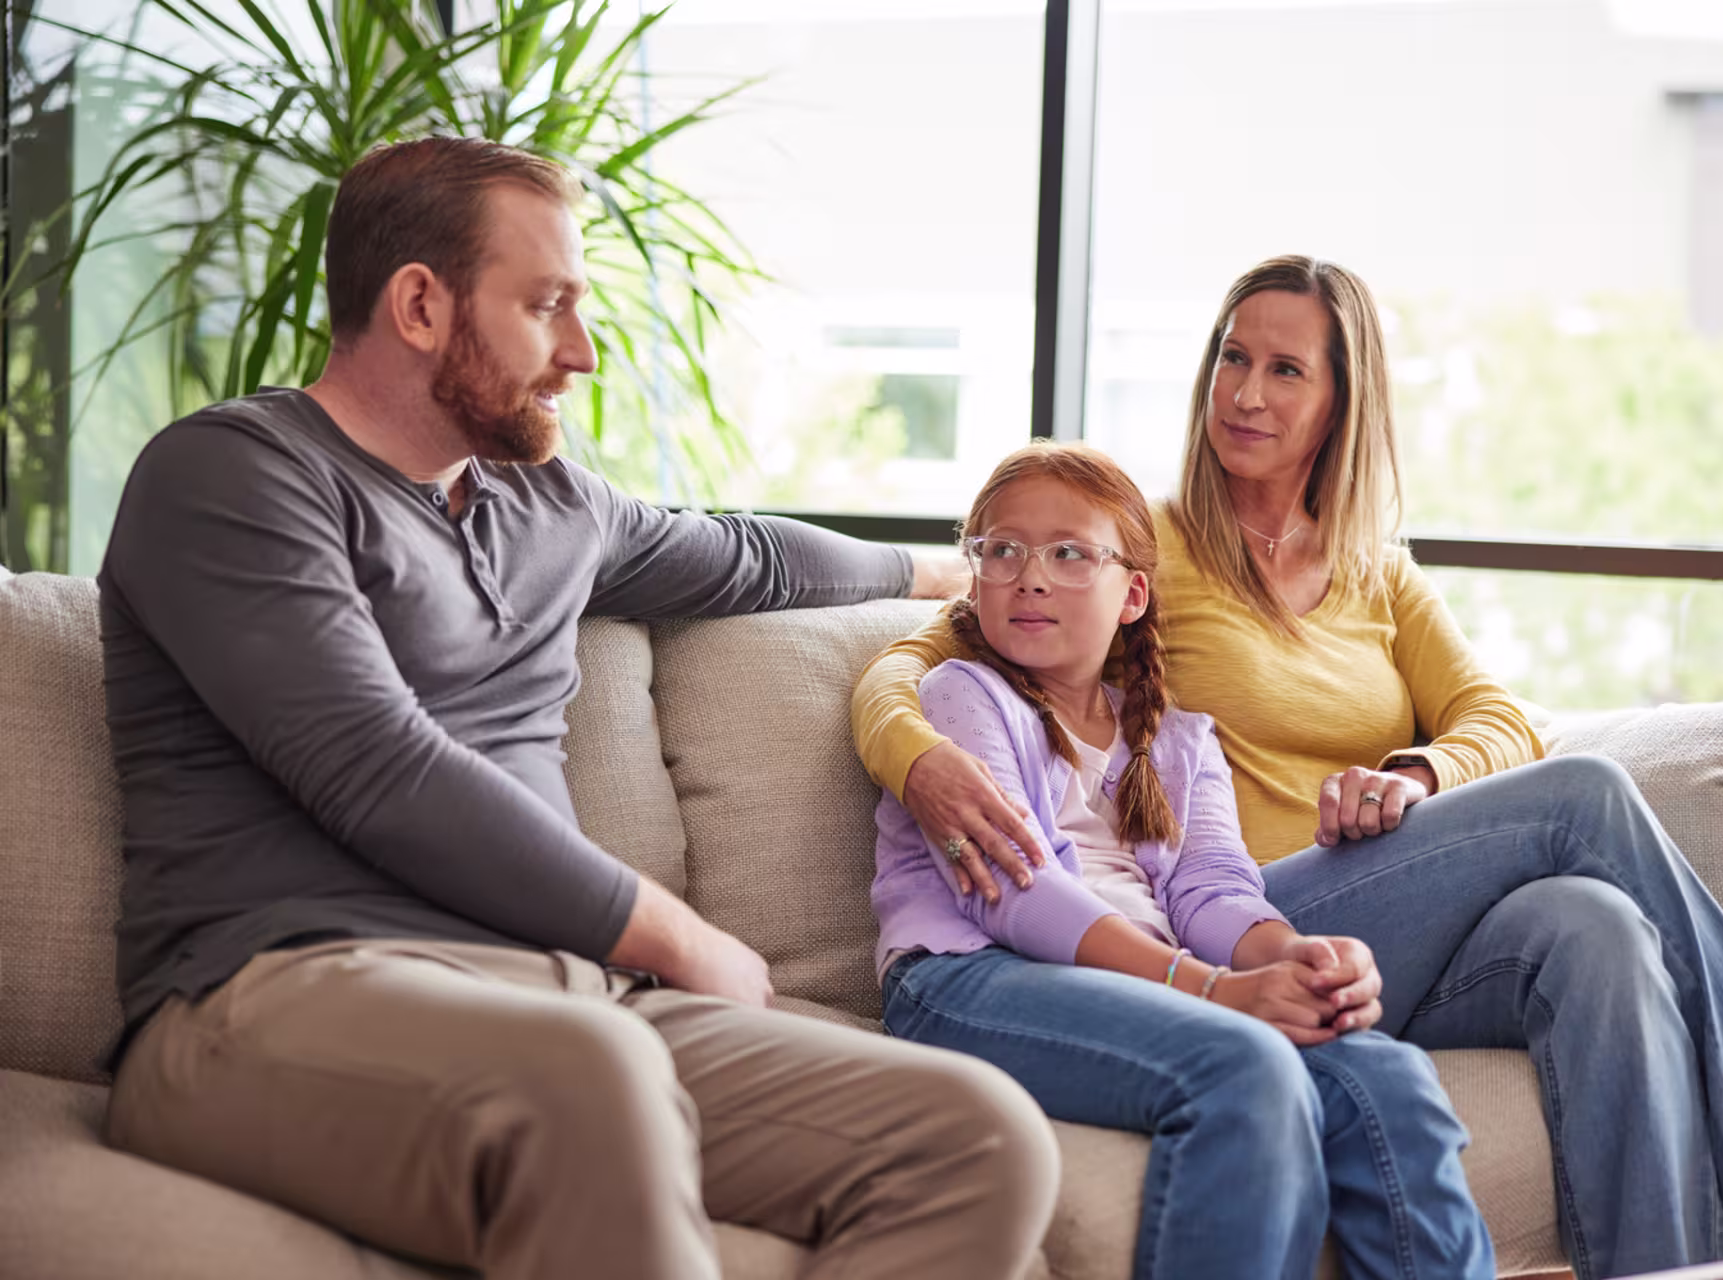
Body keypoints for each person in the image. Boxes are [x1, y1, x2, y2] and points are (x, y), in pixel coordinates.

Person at [97, 136, 1060, 1280]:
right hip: (273, 997)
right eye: (546, 305)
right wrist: (675, 933)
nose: (583, 354)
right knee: (587, 1071)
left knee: (976, 1133)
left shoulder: (549, 503)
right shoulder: (233, 476)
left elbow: (746, 557)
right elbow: (373, 765)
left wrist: (930, 575)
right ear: (418, 303)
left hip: (568, 1003)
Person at [854, 256, 1723, 1279]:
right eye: (1232, 358)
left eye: (1285, 369)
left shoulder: (1378, 571)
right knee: (1589, 800)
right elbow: (918, 652)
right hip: (1242, 905)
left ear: (1342, 401)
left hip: (1301, 920)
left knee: (1596, 930)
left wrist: (1413, 772)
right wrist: (919, 758)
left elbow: (1496, 714)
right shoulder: (1138, 547)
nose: (1245, 392)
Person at [872, 440, 1493, 1280]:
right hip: (970, 975)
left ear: (1133, 595)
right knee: (1244, 1065)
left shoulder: (1177, 738)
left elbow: (1211, 887)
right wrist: (1215, 991)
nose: (1030, 576)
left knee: (1390, 1081)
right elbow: (1014, 896)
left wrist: (1292, 958)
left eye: (1068, 554)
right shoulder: (960, 695)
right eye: (1002, 550)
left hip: (1133, 975)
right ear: (974, 571)